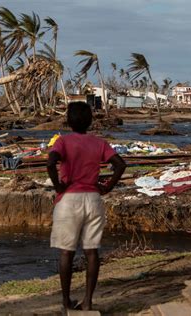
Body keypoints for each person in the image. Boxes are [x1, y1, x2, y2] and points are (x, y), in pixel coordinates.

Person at [47, 101, 126, 312]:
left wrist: (58, 185)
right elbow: (120, 164)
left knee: (66, 253)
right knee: (92, 252)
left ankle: (66, 303)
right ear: (91, 121)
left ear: (68, 121)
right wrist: (108, 186)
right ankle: (88, 301)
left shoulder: (62, 141)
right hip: (92, 198)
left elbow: (50, 162)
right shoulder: (99, 143)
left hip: (68, 200)